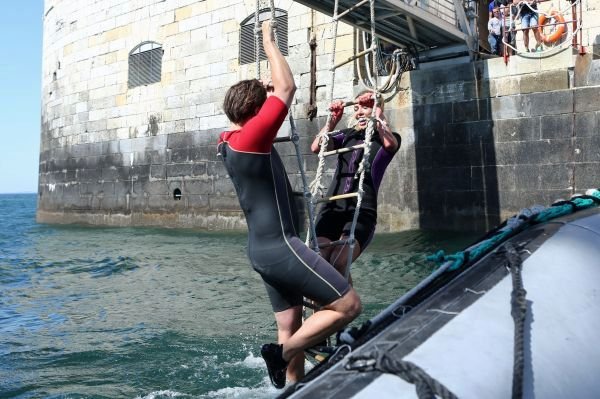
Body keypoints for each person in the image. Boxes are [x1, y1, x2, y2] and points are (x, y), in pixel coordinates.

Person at [217, 20, 362, 389]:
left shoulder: (231, 141)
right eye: (263, 107)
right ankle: (278, 357)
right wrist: (268, 41)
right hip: (281, 248)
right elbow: (288, 86)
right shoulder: (251, 138)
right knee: (347, 307)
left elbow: (264, 100)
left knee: (291, 326)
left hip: (260, 251)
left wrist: (259, 93)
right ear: (255, 111)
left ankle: (293, 388)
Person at [310, 91, 401, 283]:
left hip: (362, 210)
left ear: (377, 109)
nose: (359, 112)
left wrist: (377, 114)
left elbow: (390, 144)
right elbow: (317, 147)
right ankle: (326, 308)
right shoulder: (346, 136)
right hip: (332, 208)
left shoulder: (386, 138)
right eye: (357, 108)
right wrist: (332, 122)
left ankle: (346, 308)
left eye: (365, 107)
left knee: (338, 262)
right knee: (318, 263)